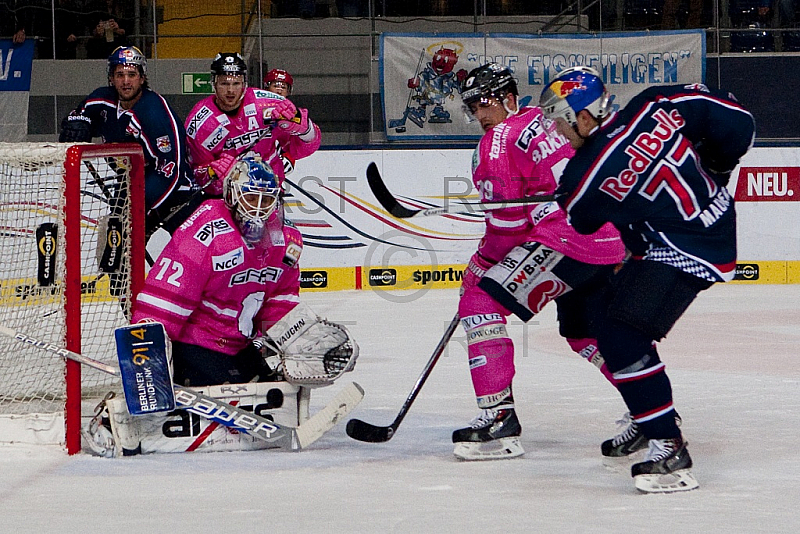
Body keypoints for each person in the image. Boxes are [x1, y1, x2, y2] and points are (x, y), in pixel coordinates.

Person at [539, 67, 755, 492]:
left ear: (584, 117)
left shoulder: (584, 177)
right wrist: (720, 165)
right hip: (705, 221)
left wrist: (569, 193)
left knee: (622, 336)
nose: (558, 131)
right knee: (597, 311)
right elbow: (737, 120)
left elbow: (583, 218)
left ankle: (669, 447)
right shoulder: (654, 103)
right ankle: (646, 414)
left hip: (688, 247)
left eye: (562, 121)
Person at [451, 63, 626, 461]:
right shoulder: (546, 120)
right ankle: (649, 410)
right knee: (585, 334)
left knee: (479, 301)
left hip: (567, 239)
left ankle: (499, 420)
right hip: (608, 238)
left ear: (510, 100)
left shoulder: (496, 142)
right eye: (473, 107)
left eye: (485, 104)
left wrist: (482, 265)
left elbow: (508, 224)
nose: (479, 115)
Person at [130, 157, 358, 388]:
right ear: (231, 196)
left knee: (277, 393)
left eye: (266, 200)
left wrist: (296, 336)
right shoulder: (206, 231)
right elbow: (164, 301)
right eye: (250, 198)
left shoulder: (286, 240)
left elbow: (279, 299)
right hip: (197, 345)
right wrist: (148, 368)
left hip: (240, 345)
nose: (258, 208)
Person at [59, 46, 200, 236]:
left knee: (164, 251)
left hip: (175, 195)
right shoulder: (100, 100)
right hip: (130, 183)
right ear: (111, 78)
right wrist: (76, 126)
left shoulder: (154, 115)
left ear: (142, 78)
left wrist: (139, 208)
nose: (126, 82)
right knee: (115, 246)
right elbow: (77, 118)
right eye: (119, 75)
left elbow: (171, 170)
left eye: (132, 74)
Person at [184, 54, 320, 197]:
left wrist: (306, 130)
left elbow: (299, 149)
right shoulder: (200, 123)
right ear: (214, 83)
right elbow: (195, 174)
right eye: (224, 83)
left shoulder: (270, 104)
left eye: (236, 83)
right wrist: (212, 173)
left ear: (244, 83)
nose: (230, 90)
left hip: (269, 193)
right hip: (225, 197)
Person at [263, 68, 299, 175]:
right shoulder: (254, 108)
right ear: (267, 87)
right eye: (275, 86)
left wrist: (289, 158)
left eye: (283, 87)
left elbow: (291, 144)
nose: (279, 91)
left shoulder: (292, 114)